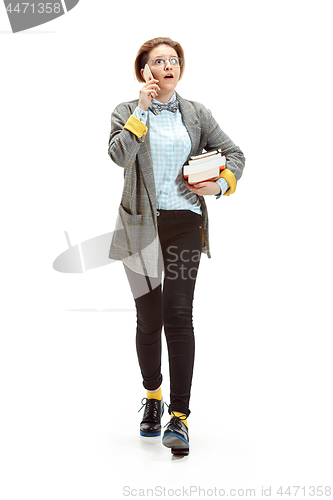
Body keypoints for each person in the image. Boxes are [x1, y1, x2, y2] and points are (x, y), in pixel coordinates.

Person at [108, 37, 245, 455]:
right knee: (149, 318)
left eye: (174, 60)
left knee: (178, 313)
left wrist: (220, 183)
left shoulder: (197, 113)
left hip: (185, 222)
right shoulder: (126, 112)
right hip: (140, 226)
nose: (169, 66)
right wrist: (142, 111)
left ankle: (179, 418)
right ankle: (153, 397)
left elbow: (235, 153)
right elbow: (117, 155)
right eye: (160, 61)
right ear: (144, 70)